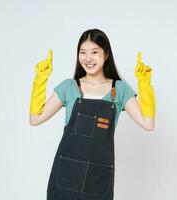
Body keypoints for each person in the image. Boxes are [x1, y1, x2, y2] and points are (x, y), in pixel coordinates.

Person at [29, 28, 156, 200]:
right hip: (65, 175)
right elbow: (35, 119)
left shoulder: (119, 90)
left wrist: (145, 84)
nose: (88, 58)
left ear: (106, 54)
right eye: (83, 52)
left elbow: (148, 123)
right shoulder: (68, 87)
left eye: (94, 52)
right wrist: (40, 79)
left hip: (99, 176)